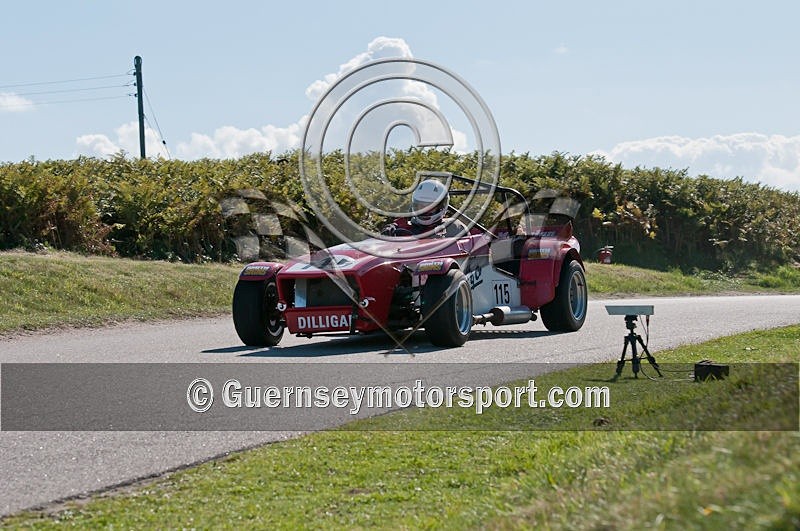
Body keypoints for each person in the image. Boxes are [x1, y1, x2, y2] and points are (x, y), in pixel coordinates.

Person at [382, 179, 466, 237]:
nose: (424, 210)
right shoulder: (401, 228)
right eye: (420, 206)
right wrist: (390, 228)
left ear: (441, 207)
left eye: (429, 206)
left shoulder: (454, 227)